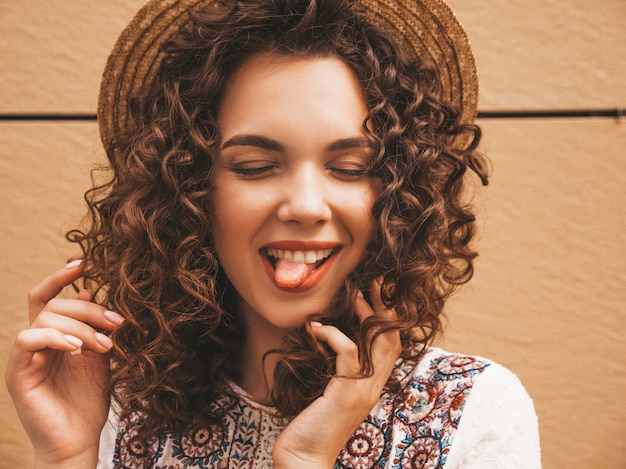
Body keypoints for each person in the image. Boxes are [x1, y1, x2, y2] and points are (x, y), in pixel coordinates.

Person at [5, 0, 541, 467]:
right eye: (256, 166)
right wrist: (66, 457)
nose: (306, 207)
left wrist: (306, 460)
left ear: (396, 195)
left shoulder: (471, 410)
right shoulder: (115, 408)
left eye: (351, 168)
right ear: (190, 190)